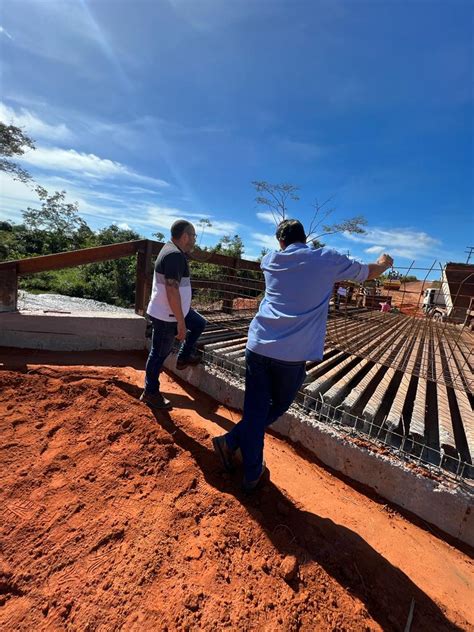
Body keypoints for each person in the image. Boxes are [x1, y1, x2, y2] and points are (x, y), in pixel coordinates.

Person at [213, 219, 393, 491]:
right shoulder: (326, 259)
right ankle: (247, 469)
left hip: (258, 344)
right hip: (291, 354)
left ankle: (239, 455)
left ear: (281, 243)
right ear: (305, 238)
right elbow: (368, 272)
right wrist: (384, 262)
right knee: (278, 406)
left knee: (256, 409)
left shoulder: (269, 260)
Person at [140, 220, 207, 409]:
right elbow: (171, 290)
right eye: (193, 236)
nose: (194, 240)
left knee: (199, 324)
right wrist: (180, 322)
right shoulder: (174, 255)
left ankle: (183, 357)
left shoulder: (172, 251)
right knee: (159, 354)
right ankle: (151, 392)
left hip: (174, 311)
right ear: (185, 236)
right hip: (168, 315)